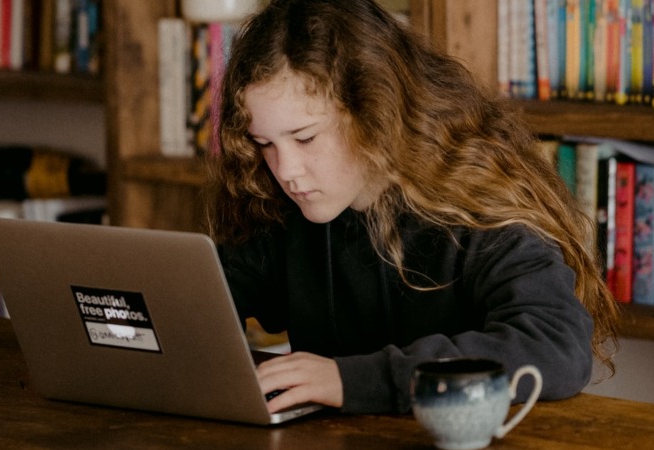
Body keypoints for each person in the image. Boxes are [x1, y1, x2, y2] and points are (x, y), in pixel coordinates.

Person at [207, 0, 619, 415]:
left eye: (306, 138)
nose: (287, 171)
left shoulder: (479, 204)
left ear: (375, 110)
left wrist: (349, 380)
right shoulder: (284, 209)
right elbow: (208, 298)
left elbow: (555, 346)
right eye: (265, 145)